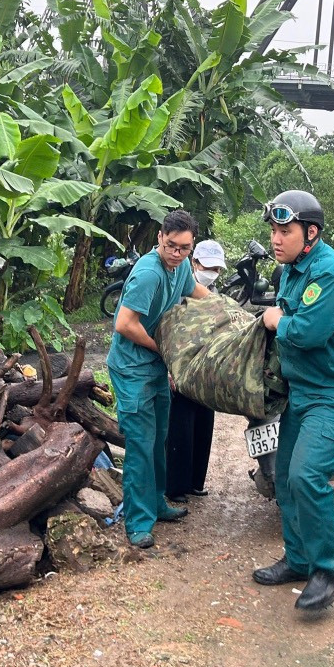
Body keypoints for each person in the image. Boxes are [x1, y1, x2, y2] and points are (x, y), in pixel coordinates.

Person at [252, 190, 334, 614]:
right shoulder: (291, 269)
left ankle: (330, 570)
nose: (276, 239)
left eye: (285, 231)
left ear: (311, 232)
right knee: (284, 479)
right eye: (274, 230)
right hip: (301, 392)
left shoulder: (331, 273)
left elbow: (305, 332)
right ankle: (299, 559)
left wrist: (275, 318)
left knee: (306, 476)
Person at [107, 210, 211, 549]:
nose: (177, 254)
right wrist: (163, 350)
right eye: (171, 246)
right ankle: (138, 522)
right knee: (139, 445)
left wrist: (228, 311)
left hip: (155, 367)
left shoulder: (179, 267)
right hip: (132, 369)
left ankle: (156, 502)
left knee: (158, 440)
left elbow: (196, 291)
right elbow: (124, 324)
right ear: (159, 239)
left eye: (184, 248)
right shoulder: (148, 274)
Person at [165, 240, 224, 502]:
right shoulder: (180, 288)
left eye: (217, 269)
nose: (212, 272)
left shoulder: (214, 291)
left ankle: (195, 481)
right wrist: (170, 369)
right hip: (181, 367)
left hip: (205, 369)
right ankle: (176, 486)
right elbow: (168, 330)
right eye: (207, 266)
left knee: (204, 423)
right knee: (181, 425)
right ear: (195, 263)